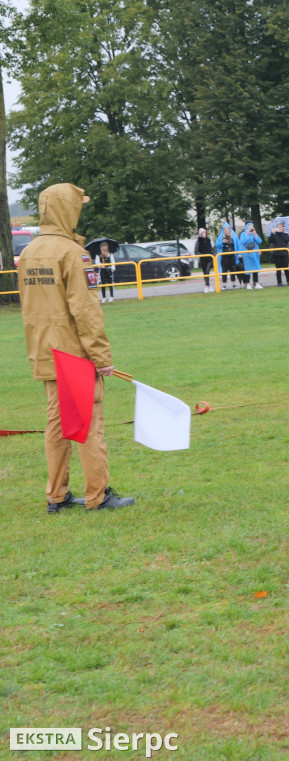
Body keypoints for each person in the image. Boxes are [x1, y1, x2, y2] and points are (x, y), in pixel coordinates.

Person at [17, 182, 134, 513]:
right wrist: (101, 356)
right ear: (67, 210)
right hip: (73, 354)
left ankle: (56, 495)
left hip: (43, 350)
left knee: (56, 424)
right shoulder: (73, 253)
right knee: (88, 423)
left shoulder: (28, 252)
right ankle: (98, 495)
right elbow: (85, 310)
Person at [237, 221, 263, 288]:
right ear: (246, 227)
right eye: (249, 226)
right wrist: (247, 234)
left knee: (255, 268)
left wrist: (255, 234)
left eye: (252, 226)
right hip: (247, 253)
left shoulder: (254, 234)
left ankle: (256, 283)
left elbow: (260, 241)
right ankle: (248, 283)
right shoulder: (243, 234)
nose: (251, 228)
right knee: (248, 268)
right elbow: (242, 242)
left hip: (255, 253)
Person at [215, 223, 241, 289]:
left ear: (230, 229)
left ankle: (234, 284)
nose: (226, 230)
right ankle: (224, 285)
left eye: (227, 229)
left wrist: (239, 253)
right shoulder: (220, 236)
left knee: (232, 269)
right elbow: (217, 245)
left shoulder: (234, 236)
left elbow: (238, 245)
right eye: (225, 229)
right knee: (224, 270)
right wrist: (222, 242)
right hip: (224, 256)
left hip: (232, 255)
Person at [195, 227, 215, 293]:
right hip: (203, 259)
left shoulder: (208, 240)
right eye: (203, 233)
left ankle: (206, 286)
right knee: (205, 273)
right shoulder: (198, 241)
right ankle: (208, 286)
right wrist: (202, 255)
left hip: (209, 258)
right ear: (200, 234)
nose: (204, 234)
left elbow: (211, 249)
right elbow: (196, 251)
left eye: (205, 232)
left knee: (207, 272)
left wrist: (213, 254)